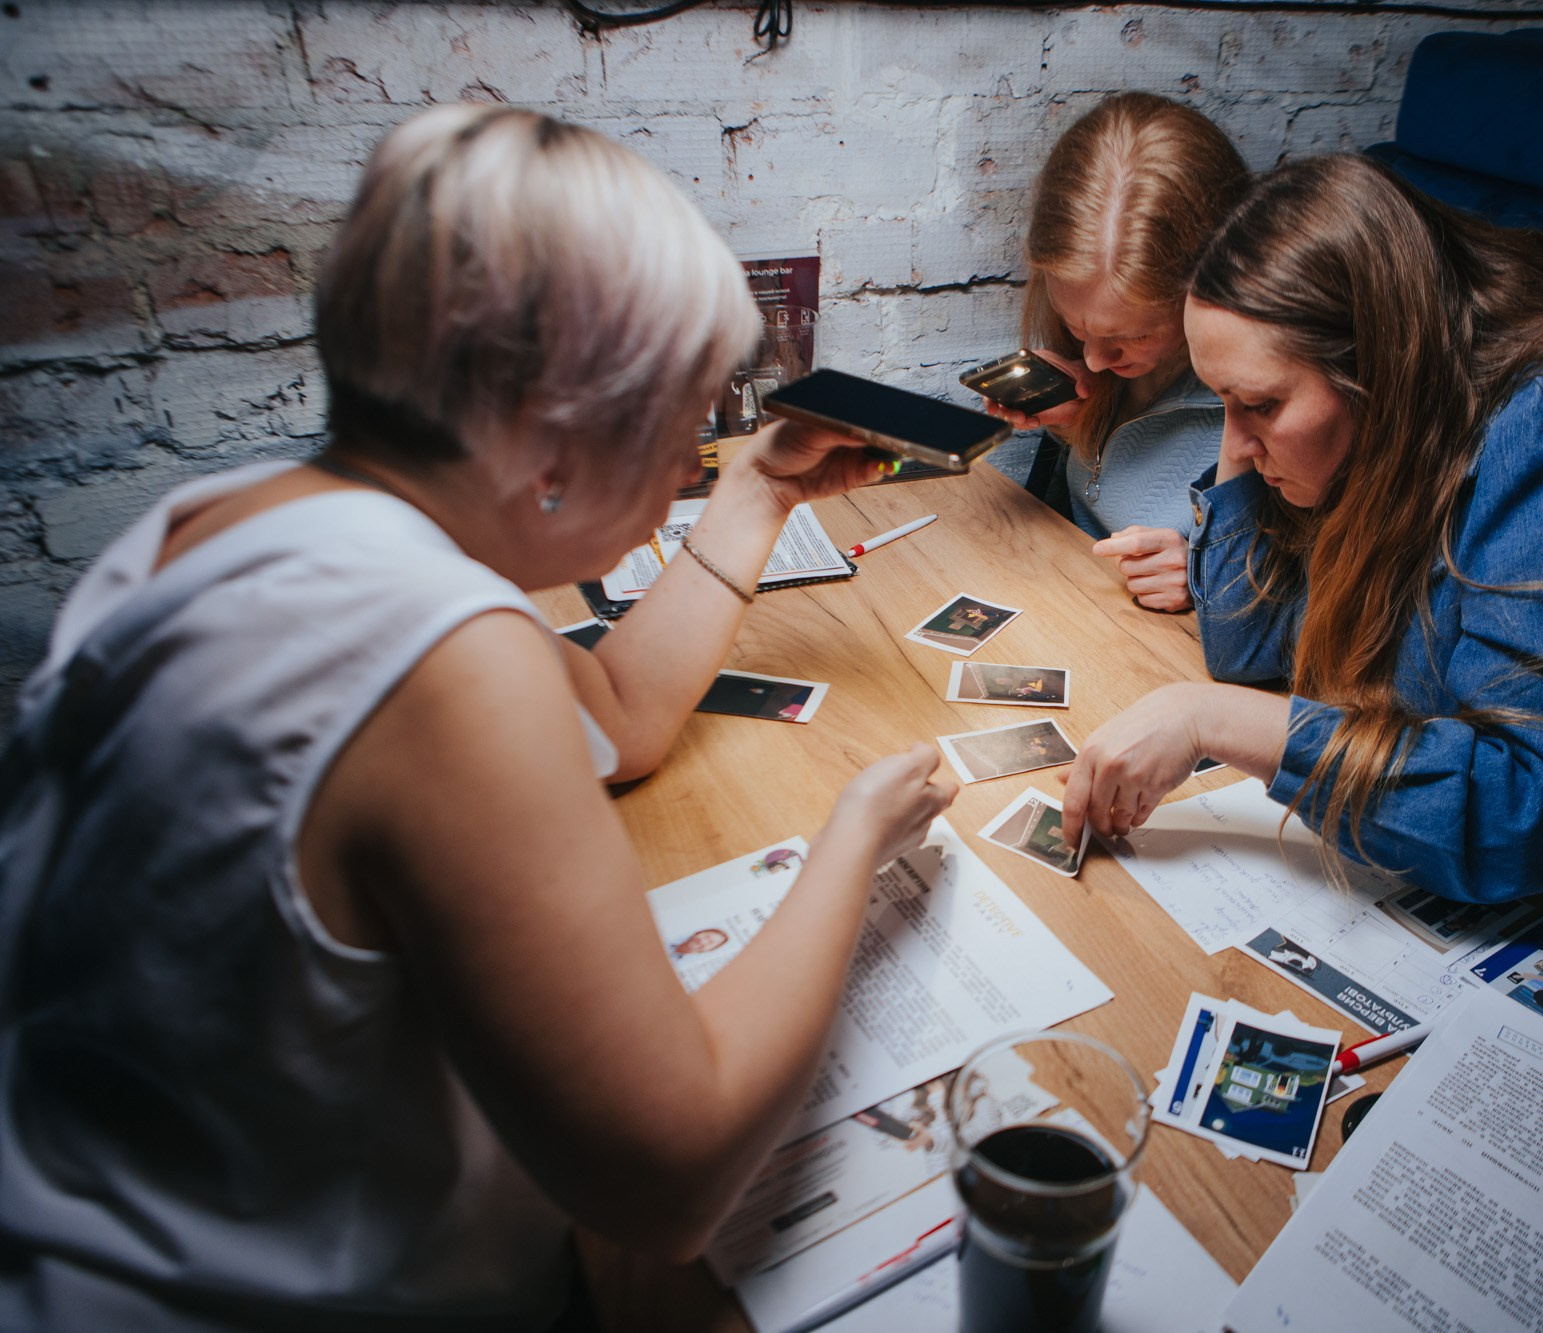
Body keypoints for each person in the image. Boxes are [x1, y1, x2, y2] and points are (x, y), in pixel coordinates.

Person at [0, 105, 958, 1330]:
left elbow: (619, 714)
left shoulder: (236, 516)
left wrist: (757, 499)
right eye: (685, 427)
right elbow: (668, 1179)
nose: (693, 464)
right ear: (557, 436)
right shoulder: (444, 667)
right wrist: (854, 848)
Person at [1061, 154, 1543, 1008]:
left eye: (1261, 404)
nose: (1238, 443)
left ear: (1378, 366)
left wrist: (1208, 719)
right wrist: (1243, 398)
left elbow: (1529, 810)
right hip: (1420, 872)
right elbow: (1244, 641)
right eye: (1222, 400)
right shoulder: (1370, 417)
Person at [981, 92, 1248, 611]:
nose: (1095, 360)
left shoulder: (1262, 408)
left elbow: (1311, 585)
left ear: (1212, 291)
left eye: (1135, 336)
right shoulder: (1096, 373)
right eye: (1075, 325)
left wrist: (1207, 575)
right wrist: (1076, 423)